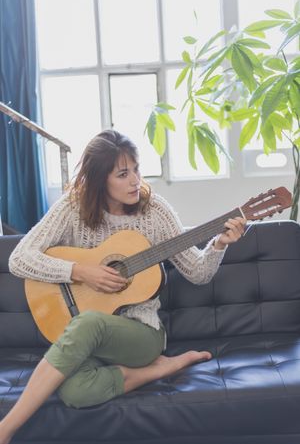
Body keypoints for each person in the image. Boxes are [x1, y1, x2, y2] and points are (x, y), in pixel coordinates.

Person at [0, 130, 246, 444]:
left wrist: (219, 244)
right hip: (88, 332)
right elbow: (19, 259)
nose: (135, 181)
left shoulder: (155, 211)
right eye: (123, 174)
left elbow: (198, 273)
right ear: (100, 179)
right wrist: (80, 271)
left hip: (142, 334)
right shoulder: (72, 208)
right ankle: (159, 370)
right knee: (74, 391)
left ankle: (5, 431)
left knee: (87, 323)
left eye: (137, 170)